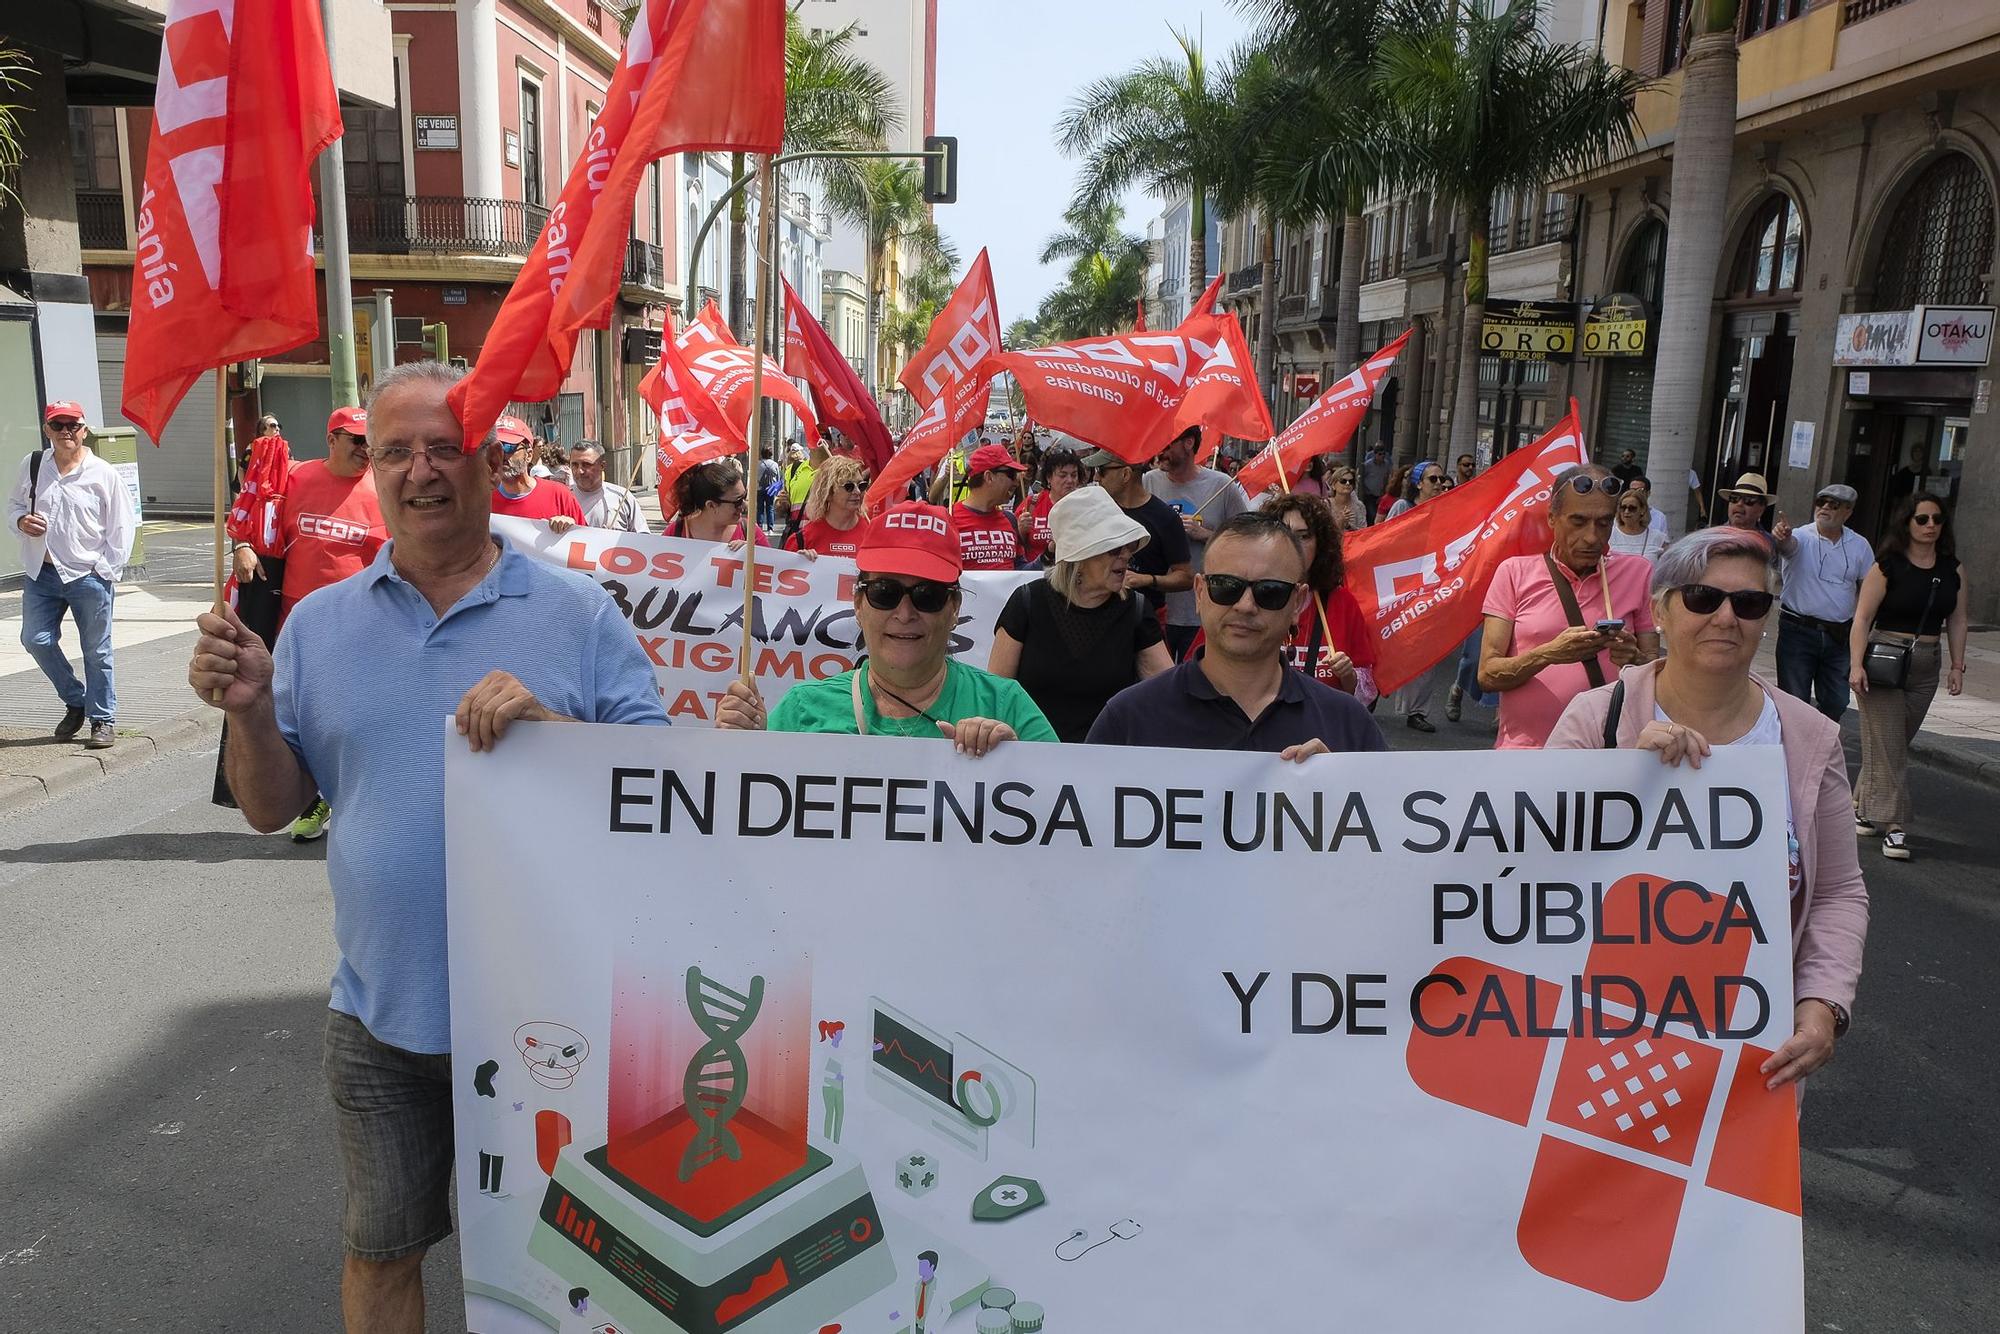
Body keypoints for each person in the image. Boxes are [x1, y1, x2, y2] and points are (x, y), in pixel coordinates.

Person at [184, 360, 667, 1332]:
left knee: (571, 1265)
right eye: (396, 450)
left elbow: (655, 785)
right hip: (379, 1020)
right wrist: (246, 711)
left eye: (443, 446)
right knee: (379, 1254)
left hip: (551, 1023)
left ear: (487, 457)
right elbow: (271, 805)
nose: (420, 470)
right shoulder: (318, 627)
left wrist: (550, 732)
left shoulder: (576, 614)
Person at [1546, 527, 1868, 1090]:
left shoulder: (1810, 737)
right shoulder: (1596, 718)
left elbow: (1839, 891)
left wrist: (1824, 1004)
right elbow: (1529, 861)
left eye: (1749, 603)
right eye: (1702, 598)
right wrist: (1622, 779)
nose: (1726, 618)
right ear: (1660, 611)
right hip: (1593, 1030)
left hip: (1745, 1051)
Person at [759, 502, 1057, 749]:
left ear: (954, 608)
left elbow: (1069, 810)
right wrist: (739, 749)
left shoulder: (1006, 706)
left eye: (928, 596)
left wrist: (1018, 766)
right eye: (884, 593)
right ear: (859, 603)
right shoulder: (801, 712)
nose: (904, 613)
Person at [1088, 512, 1387, 758]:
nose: (1245, 606)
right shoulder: (1128, 719)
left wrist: (1343, 785)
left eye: (1269, 591)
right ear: (1200, 592)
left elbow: (1388, 822)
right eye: (1226, 586)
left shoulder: (1348, 725)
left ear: (1297, 603)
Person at [227, 405, 389, 838]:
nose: (365, 448)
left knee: (346, 715)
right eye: (356, 439)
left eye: (370, 440)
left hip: (360, 625)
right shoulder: (296, 478)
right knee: (296, 717)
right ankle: (312, 796)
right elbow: (253, 513)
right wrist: (241, 545)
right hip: (293, 623)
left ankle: (337, 798)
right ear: (331, 439)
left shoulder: (384, 489)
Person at [1478, 464, 1660, 750]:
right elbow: (1488, 674)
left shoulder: (1638, 573)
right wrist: (1550, 653)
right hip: (1527, 755)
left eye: (1603, 523)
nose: (1592, 537)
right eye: (1578, 521)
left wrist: (1634, 659)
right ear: (1552, 518)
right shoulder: (1514, 573)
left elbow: (1657, 672)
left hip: (1607, 757)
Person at [988, 486, 1171, 741]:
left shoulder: (1136, 610)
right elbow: (996, 695)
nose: (1126, 555)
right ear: (1079, 557)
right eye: (1114, 548)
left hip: (1106, 766)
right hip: (1032, 763)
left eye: (1128, 545)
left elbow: (1167, 696)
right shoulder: (1028, 602)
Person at [8, 401, 136, 750]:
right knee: (35, 639)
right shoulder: (33, 465)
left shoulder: (103, 474)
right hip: (42, 573)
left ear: (84, 430)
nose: (66, 431)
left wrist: (105, 571)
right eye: (58, 424)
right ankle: (76, 699)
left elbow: (122, 526)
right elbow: (15, 506)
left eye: (73, 425)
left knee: (97, 651)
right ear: (48, 430)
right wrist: (21, 522)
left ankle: (102, 719)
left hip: (87, 575)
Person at [1848, 494, 1968, 861]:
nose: (1931, 525)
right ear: (1907, 524)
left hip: (1926, 664)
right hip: (1885, 659)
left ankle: (1861, 805)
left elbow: (1959, 620)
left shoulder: (1953, 569)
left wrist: (1957, 665)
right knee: (1891, 749)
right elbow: (1862, 619)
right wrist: (1856, 665)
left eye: (1937, 519)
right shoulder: (1887, 566)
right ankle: (1896, 828)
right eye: (1922, 519)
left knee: (1892, 742)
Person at [1145, 426, 1252, 660]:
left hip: (1203, 613)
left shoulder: (1222, 486)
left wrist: (1204, 534)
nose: (1160, 451)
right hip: (1154, 611)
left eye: (1167, 444)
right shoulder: (1148, 483)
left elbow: (1246, 543)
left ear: (1189, 443)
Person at [1773, 483, 1871, 721]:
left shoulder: (1860, 545)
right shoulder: (1800, 536)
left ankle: (1820, 736)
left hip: (1839, 635)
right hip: (1798, 630)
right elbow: (1788, 547)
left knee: (1838, 700)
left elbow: (1868, 587)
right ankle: (1798, 749)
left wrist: (1862, 625)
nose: (1825, 507)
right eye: (1821, 502)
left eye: (1833, 504)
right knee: (1795, 698)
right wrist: (1782, 538)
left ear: (1847, 512)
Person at [1084, 448, 1192, 627]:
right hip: (1099, 618)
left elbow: (1185, 577)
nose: (1096, 478)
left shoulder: (1165, 518)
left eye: (1101, 471)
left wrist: (1147, 580)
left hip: (1145, 622)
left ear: (1125, 474)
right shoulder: (1098, 511)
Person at [490, 417, 582, 531]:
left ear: (528, 455)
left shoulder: (559, 495)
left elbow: (589, 541)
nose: (502, 455)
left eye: (508, 447)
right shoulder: (483, 499)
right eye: (496, 448)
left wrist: (572, 527)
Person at [952, 443, 1025, 570]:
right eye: (1011, 474)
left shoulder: (1010, 519)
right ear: (989, 477)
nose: (1016, 481)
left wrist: (1048, 554)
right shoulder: (949, 518)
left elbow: (1020, 569)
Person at [665, 459, 768, 545]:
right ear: (711, 505)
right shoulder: (675, 532)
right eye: (737, 502)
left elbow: (775, 566)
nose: (744, 505)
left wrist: (756, 555)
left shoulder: (750, 533)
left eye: (744, 497)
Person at [788, 454, 868, 558]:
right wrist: (799, 562)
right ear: (828, 493)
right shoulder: (803, 539)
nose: (857, 491)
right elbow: (784, 572)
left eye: (861, 485)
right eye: (849, 486)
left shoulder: (872, 536)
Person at [1016, 451, 1081, 566]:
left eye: (1074, 475)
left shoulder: (1084, 505)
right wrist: (1021, 530)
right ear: (1049, 478)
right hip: (1037, 575)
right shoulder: (1032, 503)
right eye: (1063, 475)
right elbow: (1015, 545)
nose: (1070, 480)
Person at [569, 441, 648, 532]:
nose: (580, 471)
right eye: (574, 465)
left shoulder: (622, 497)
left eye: (586, 465)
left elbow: (643, 537)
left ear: (602, 466)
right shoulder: (562, 497)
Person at [1609, 489, 1668, 560]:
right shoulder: (1608, 536)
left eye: (1632, 508)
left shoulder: (1658, 538)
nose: (1626, 511)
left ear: (1642, 510)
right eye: (1623, 507)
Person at [781, 441, 815, 545]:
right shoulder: (791, 470)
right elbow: (785, 500)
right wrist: (781, 502)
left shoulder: (834, 472)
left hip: (821, 537)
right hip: (797, 536)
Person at [1326, 466, 1369, 532]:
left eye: (1351, 481)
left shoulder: (1359, 506)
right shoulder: (1326, 505)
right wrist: (1340, 521)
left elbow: (1363, 532)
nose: (1347, 483)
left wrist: (1348, 526)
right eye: (1343, 481)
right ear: (1333, 485)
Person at [1360, 442, 1391, 515]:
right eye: (1380, 454)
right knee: (1372, 514)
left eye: (1383, 454)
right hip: (1369, 495)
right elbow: (1362, 478)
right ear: (1375, 454)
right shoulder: (1368, 465)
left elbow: (1386, 477)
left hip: (1380, 495)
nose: (1382, 456)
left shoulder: (1386, 465)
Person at [757, 451, 782, 531]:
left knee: (760, 509)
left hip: (760, 488)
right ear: (771, 455)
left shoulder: (758, 464)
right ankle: (770, 527)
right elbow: (778, 477)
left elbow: (754, 476)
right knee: (770, 508)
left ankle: (759, 527)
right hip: (771, 489)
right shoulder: (774, 464)